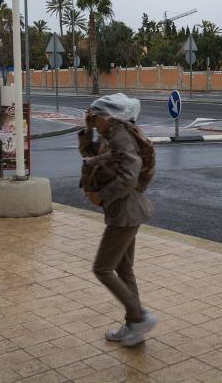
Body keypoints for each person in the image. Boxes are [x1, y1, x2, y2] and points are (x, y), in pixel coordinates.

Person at [79, 93, 156, 347]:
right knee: (123, 270)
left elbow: (130, 175)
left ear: (107, 116)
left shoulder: (120, 135)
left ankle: (140, 317)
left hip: (125, 213)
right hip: (123, 212)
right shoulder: (108, 135)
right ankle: (134, 327)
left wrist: (101, 197)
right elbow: (90, 156)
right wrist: (87, 130)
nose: (93, 119)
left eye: (95, 116)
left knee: (102, 268)